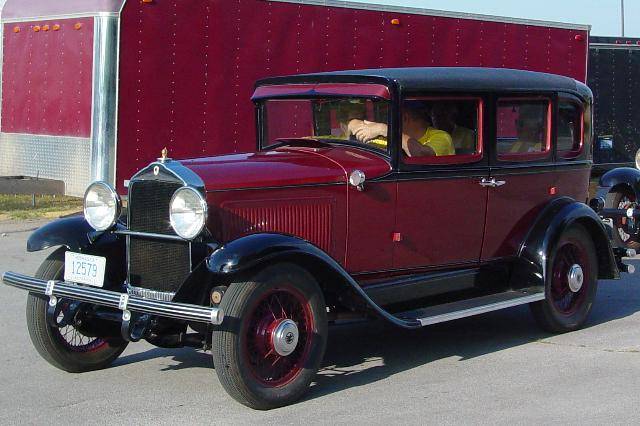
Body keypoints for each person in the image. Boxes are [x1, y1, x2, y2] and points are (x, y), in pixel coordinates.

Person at [348, 104, 455, 157]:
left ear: (404, 117)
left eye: (389, 116)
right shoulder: (386, 134)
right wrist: (355, 123)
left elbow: (422, 154)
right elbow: (352, 125)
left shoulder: (441, 137)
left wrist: (385, 130)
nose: (386, 121)